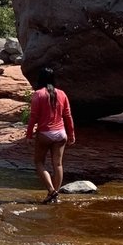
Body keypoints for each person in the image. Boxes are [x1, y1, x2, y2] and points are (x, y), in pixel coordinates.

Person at [26, 66, 76, 203]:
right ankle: (54, 195)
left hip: (45, 133)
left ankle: (51, 190)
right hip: (61, 133)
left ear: (40, 79)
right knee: (58, 165)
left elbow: (33, 117)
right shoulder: (62, 94)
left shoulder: (38, 94)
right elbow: (68, 116)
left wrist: (29, 134)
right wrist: (71, 134)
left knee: (39, 162)